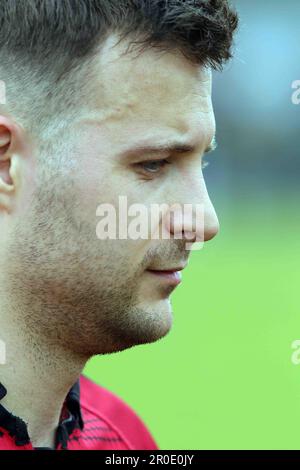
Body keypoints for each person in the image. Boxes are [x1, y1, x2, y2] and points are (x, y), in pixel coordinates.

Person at [0, 0, 238, 450]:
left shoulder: (124, 438)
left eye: (201, 160)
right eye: (153, 164)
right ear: (7, 163)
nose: (205, 221)